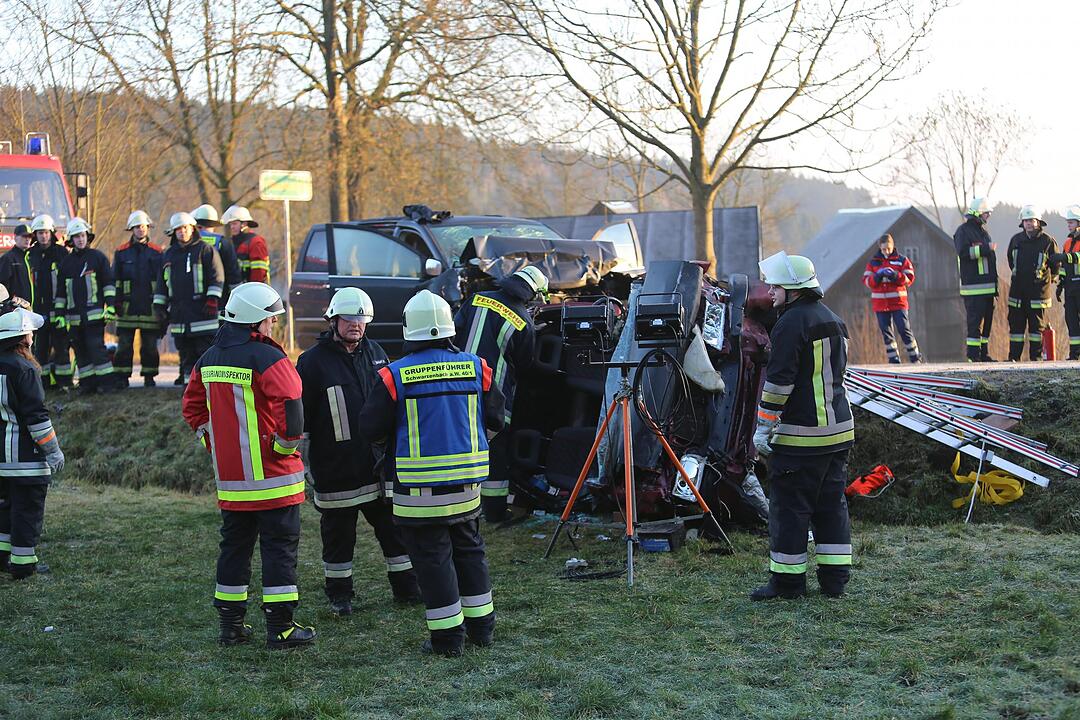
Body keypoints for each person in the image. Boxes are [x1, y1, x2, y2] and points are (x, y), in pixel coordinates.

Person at [356, 289, 504, 657]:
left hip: (417, 492)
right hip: (468, 487)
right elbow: (498, 418)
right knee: (470, 552)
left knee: (433, 561)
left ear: (410, 330)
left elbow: (370, 428)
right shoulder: (476, 367)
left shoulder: (394, 376)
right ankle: (482, 631)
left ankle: (447, 640)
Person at [181, 282, 315, 649]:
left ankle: (231, 627)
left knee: (234, 550)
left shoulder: (208, 359)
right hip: (275, 479)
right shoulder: (268, 357)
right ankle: (282, 629)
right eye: (271, 319)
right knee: (279, 550)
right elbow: (292, 405)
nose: (274, 325)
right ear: (257, 322)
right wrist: (286, 448)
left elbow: (192, 408)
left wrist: (214, 443)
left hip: (232, 483)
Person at [296, 287, 422, 616]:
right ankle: (340, 596)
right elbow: (302, 418)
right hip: (336, 466)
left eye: (362, 319)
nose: (356, 325)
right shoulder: (311, 363)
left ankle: (407, 589)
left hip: (377, 464)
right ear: (333, 319)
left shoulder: (377, 353)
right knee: (339, 535)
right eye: (350, 318)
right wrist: (305, 460)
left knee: (394, 530)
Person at [752, 251, 854, 601]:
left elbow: (779, 384)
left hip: (801, 438)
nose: (770, 291)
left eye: (775, 285)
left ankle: (787, 584)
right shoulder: (833, 319)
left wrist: (763, 428)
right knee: (831, 507)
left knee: (790, 509)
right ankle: (834, 581)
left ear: (792, 288)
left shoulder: (790, 323)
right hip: (838, 432)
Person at [453, 265, 546, 522]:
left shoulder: (476, 298)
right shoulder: (523, 321)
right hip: (492, 393)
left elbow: (454, 330)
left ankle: (460, 503)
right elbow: (525, 364)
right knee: (495, 449)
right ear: (531, 293)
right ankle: (494, 511)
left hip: (454, 386)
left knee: (458, 442)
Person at [0, 307, 65, 579]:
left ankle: (3, 559)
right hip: (26, 461)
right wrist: (54, 452)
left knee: (5, 511)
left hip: (2, 462)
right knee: (27, 513)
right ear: (22, 338)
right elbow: (37, 419)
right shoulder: (25, 369)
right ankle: (24, 565)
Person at [154, 212, 224, 384]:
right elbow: (162, 283)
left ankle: (209, 388)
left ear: (192, 228)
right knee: (186, 355)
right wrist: (160, 308)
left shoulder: (205, 250)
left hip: (203, 314)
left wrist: (212, 299)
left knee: (205, 353)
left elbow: (217, 276)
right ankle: (189, 389)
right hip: (179, 316)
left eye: (184, 228)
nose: (181, 232)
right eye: (177, 229)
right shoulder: (169, 255)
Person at [55, 217, 117, 394]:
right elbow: (60, 293)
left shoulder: (98, 258)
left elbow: (108, 284)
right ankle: (87, 384)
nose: (80, 239)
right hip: (73, 319)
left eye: (82, 235)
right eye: (76, 237)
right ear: (71, 240)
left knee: (97, 350)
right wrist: (60, 314)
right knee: (81, 353)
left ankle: (107, 385)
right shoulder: (66, 263)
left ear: (87, 237)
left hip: (94, 316)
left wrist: (110, 306)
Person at [113, 211, 165, 387]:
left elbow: (162, 280)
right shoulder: (121, 252)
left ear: (148, 228)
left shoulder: (158, 252)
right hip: (127, 306)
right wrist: (116, 302)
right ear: (131, 229)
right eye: (137, 227)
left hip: (150, 306)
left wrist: (161, 306)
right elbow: (115, 280)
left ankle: (149, 377)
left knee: (150, 345)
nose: (140, 230)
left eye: (143, 226)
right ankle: (121, 376)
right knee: (124, 345)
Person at [1006, 205, 1059, 362]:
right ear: (1022, 222)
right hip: (1017, 293)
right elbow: (1011, 261)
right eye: (1026, 221)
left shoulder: (1048, 241)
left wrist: (1049, 279)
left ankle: (1035, 360)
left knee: (1037, 330)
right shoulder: (1016, 240)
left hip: (1038, 294)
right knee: (1016, 329)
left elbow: (1055, 266)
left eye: (1032, 220)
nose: (1028, 223)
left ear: (1038, 222)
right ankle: (1013, 358)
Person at [27, 214, 73, 388]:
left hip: (58, 309)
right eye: (39, 233)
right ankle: (43, 384)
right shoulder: (31, 255)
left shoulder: (62, 253)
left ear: (51, 233)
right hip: (38, 311)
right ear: (35, 235)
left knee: (61, 347)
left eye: (46, 232)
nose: (43, 236)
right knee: (40, 350)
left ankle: (64, 383)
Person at [862, 233, 921, 363]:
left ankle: (915, 357)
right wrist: (877, 276)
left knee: (903, 329)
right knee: (886, 332)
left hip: (898, 302)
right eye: (883, 249)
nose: (886, 252)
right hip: (880, 304)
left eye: (888, 248)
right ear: (880, 248)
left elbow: (909, 279)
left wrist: (895, 275)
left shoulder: (902, 260)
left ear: (893, 246)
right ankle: (893, 359)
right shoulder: (873, 263)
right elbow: (866, 281)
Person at [953, 197, 998, 362]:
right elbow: (963, 253)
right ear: (978, 213)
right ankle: (973, 356)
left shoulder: (983, 232)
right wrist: (986, 249)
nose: (988, 216)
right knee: (974, 324)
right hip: (973, 288)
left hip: (988, 288)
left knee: (986, 324)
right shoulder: (963, 231)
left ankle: (983, 353)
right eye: (986, 213)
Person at [193, 203, 242, 301]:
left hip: (192, 297)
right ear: (214, 225)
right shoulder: (223, 242)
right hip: (219, 294)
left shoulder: (190, 242)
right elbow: (233, 272)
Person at [221, 205, 270, 284]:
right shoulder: (230, 242)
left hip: (251, 289)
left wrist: (252, 290)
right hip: (236, 288)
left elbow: (259, 272)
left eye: (234, 224)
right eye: (230, 224)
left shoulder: (256, 242)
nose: (232, 227)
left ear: (244, 224)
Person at [1056, 205, 1080, 359]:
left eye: (1071, 222)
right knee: (1071, 320)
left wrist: (1064, 257)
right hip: (1070, 288)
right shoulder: (1067, 243)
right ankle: (1075, 353)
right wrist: (1060, 284)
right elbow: (1064, 267)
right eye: (1068, 222)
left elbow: (1077, 257)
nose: (1069, 225)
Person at [0, 224, 36, 309]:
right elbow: (2, 287)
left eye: (30, 236)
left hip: (33, 310)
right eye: (24, 236)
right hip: (16, 311)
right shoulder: (8, 259)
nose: (27, 239)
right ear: (15, 237)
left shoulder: (32, 257)